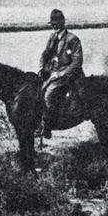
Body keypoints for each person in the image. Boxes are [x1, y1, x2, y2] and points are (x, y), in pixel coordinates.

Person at [36, 9, 84, 139]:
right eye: (52, 24)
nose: (54, 26)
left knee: (49, 92)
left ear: (62, 23)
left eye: (56, 23)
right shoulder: (52, 37)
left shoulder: (72, 39)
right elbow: (45, 54)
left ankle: (49, 125)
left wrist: (59, 74)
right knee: (34, 88)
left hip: (69, 75)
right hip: (52, 72)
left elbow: (76, 63)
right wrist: (41, 68)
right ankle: (38, 121)